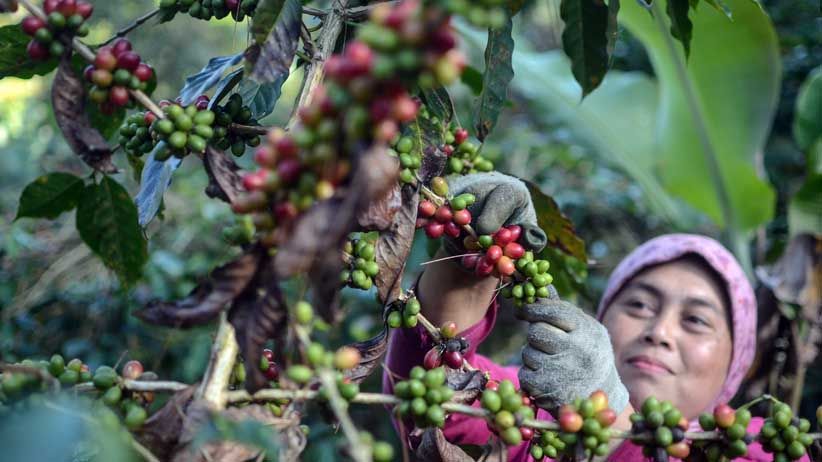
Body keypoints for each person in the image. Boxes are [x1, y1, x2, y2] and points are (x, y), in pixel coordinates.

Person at [383, 173, 810, 461]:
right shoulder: (532, 417)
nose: (659, 332)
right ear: (602, 318)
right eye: (639, 305)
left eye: (696, 320)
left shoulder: (761, 447)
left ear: (738, 359)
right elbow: (436, 398)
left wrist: (610, 418)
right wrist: (469, 263)